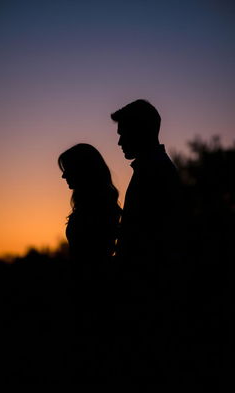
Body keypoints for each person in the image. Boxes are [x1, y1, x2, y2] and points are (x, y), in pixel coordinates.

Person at [110, 99, 186, 386]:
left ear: (140, 130)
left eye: (122, 132)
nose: (118, 141)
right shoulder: (152, 169)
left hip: (147, 302)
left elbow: (149, 244)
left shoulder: (155, 173)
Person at [58, 143, 122, 381]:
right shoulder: (90, 204)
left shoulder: (99, 207)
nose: (63, 175)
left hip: (94, 296)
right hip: (85, 292)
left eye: (68, 169)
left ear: (84, 169)